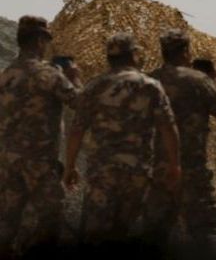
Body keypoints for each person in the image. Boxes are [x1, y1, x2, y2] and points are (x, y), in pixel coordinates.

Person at [64, 33, 181, 246]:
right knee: (123, 232)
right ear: (134, 55)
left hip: (102, 171)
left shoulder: (95, 85)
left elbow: (77, 130)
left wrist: (70, 166)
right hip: (137, 172)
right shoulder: (150, 86)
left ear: (109, 58)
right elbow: (168, 128)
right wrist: (175, 165)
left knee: (95, 233)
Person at [0, 16, 81, 256]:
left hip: (7, 160)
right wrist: (74, 76)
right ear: (38, 41)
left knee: (6, 221)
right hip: (39, 161)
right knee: (49, 220)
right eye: (45, 40)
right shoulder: (48, 74)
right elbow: (80, 103)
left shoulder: (6, 75)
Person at [143, 30, 216, 255]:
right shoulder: (198, 80)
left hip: (158, 168)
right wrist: (214, 80)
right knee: (207, 229)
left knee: (155, 229)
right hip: (193, 167)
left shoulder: (150, 80)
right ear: (185, 51)